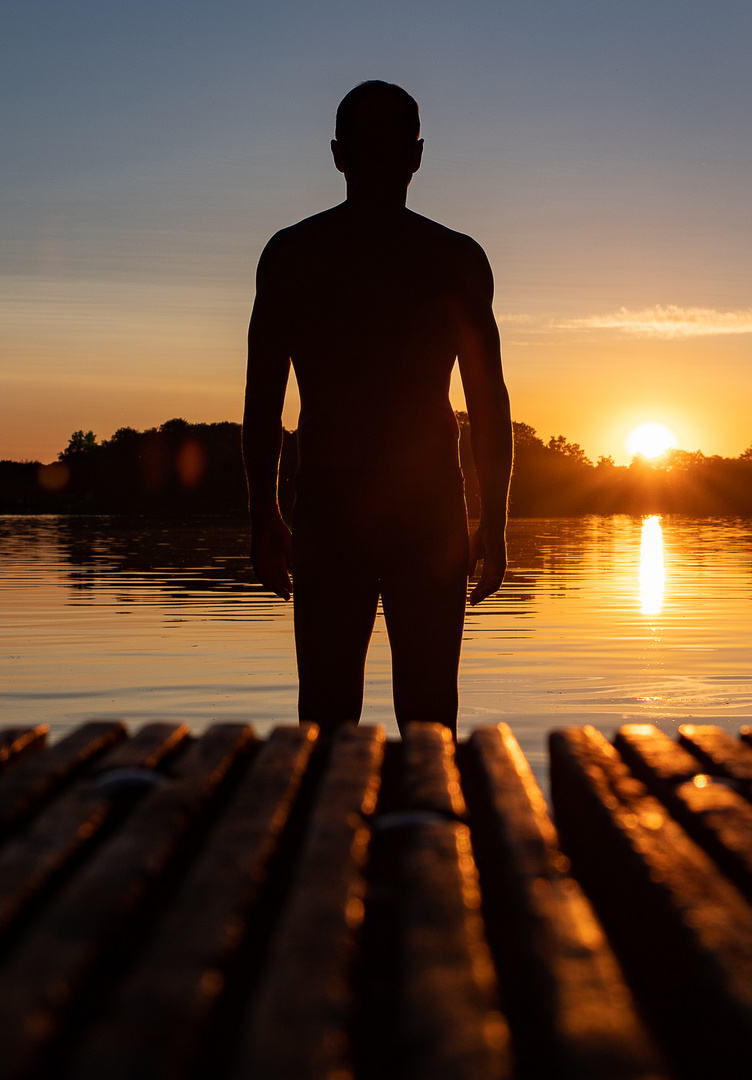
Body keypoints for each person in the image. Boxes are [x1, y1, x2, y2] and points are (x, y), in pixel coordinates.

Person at [242, 80, 512, 735]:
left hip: (337, 502)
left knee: (327, 719)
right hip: (420, 508)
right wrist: (494, 522)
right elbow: (488, 404)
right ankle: (430, 827)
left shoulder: (293, 255)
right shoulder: (453, 258)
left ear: (337, 154)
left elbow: (262, 402)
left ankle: (329, 828)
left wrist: (263, 516)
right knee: (427, 717)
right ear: (417, 155)